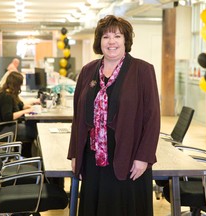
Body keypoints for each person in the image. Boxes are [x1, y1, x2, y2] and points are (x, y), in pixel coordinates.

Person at [67, 15, 160, 216]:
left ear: (125, 41)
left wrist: (143, 157)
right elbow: (78, 115)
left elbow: (152, 118)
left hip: (128, 157)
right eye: (106, 36)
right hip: (93, 159)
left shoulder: (142, 70)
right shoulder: (87, 71)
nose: (111, 42)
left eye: (117, 36)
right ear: (99, 41)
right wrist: (75, 152)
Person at [0, 71, 37, 157]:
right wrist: (25, 111)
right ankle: (27, 157)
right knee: (33, 130)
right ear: (16, 84)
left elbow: (19, 106)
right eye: (20, 84)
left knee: (32, 125)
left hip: (10, 126)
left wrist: (26, 107)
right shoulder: (6, 96)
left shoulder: (11, 93)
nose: (21, 86)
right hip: (5, 129)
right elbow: (8, 117)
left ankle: (26, 156)